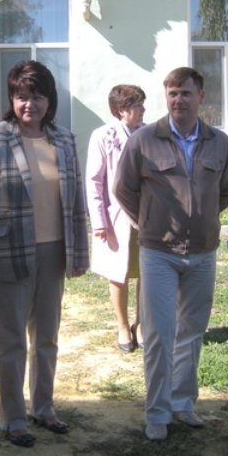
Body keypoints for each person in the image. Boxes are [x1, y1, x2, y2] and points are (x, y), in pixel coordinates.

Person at [114, 67, 228, 441]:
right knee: (158, 333)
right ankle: (157, 412)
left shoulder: (220, 143)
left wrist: (200, 220)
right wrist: (149, 222)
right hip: (159, 253)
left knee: (192, 331)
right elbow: (124, 189)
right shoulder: (145, 140)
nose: (178, 100)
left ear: (200, 96)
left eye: (185, 93)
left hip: (202, 253)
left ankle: (183, 404)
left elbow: (227, 190)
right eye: (171, 93)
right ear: (165, 97)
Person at [0, 60, 89, 448]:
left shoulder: (65, 139)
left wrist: (80, 250)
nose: (29, 104)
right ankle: (13, 418)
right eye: (22, 96)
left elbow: (76, 202)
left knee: (47, 337)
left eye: (37, 96)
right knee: (11, 339)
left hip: (54, 250)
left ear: (49, 100)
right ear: (12, 98)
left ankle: (44, 407)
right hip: (9, 252)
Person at [85, 84, 146, 353]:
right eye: (138, 105)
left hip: (147, 216)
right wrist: (99, 220)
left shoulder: (150, 133)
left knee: (147, 270)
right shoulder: (103, 136)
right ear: (122, 110)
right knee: (118, 273)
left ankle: (142, 323)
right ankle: (122, 326)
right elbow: (94, 180)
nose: (143, 109)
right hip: (115, 217)